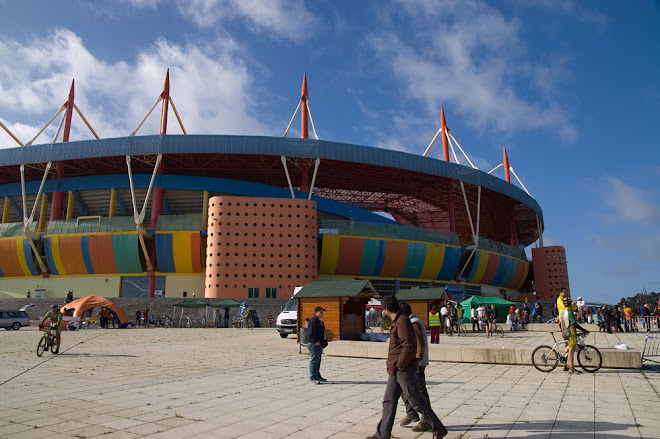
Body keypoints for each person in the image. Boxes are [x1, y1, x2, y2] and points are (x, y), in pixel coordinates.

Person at [367, 295, 447, 439]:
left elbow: (408, 346)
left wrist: (400, 364)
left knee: (416, 401)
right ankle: (382, 434)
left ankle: (438, 427)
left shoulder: (402, 321)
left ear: (386, 309)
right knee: (389, 401)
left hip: (402, 369)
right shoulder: (399, 320)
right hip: (395, 369)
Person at [398, 302, 432, 432]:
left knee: (420, 392)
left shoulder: (414, 323)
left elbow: (420, 344)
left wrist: (417, 361)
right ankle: (411, 413)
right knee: (403, 387)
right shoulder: (411, 322)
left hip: (417, 363)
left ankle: (427, 420)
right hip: (411, 362)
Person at [559, 300, 588, 373]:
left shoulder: (562, 312)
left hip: (564, 333)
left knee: (567, 349)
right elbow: (574, 323)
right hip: (571, 333)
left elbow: (560, 323)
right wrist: (583, 330)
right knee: (571, 351)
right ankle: (571, 368)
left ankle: (564, 365)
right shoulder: (569, 312)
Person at [306, 306, 328, 384]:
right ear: (316, 312)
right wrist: (316, 341)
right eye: (320, 312)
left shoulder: (319, 321)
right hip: (314, 343)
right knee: (314, 360)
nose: (322, 314)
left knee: (318, 360)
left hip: (319, 344)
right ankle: (312, 377)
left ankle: (317, 376)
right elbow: (311, 332)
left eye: (322, 312)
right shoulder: (313, 320)